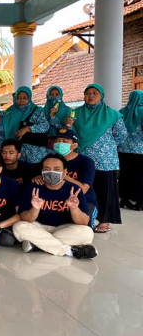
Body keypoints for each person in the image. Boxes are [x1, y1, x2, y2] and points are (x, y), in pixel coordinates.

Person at [13, 154, 97, 259]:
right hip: (39, 226)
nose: (51, 172)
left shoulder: (74, 189)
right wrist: (35, 208)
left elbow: (84, 222)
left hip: (65, 228)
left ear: (65, 172)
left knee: (87, 233)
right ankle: (69, 251)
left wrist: (74, 208)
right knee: (19, 227)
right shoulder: (33, 187)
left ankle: (38, 244)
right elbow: (25, 218)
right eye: (47, 169)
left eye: (56, 169)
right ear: (42, 171)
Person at [70, 84, 126, 233]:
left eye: (95, 93)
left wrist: (105, 146)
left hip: (105, 160)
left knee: (105, 191)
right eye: (87, 93)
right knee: (85, 189)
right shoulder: (76, 113)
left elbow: (121, 135)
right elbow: (71, 132)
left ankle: (105, 220)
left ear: (101, 95)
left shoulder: (112, 115)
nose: (91, 96)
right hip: (83, 159)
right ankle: (84, 216)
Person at [33, 129, 97, 218]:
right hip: (56, 202)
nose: (59, 144)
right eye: (57, 141)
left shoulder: (86, 162)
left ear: (74, 145)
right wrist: (40, 177)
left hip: (83, 201)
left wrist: (62, 176)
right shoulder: (48, 160)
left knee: (82, 228)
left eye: (64, 141)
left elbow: (83, 189)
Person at [1, 86, 51, 164]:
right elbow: (1, 127)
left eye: (25, 98)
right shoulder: (10, 111)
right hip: (15, 150)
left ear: (29, 98)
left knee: (34, 172)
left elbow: (45, 126)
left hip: (34, 150)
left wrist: (28, 129)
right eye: (19, 98)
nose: (21, 100)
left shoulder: (37, 111)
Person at [118, 90, 143, 210]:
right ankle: (140, 202)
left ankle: (124, 199)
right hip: (139, 150)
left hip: (123, 149)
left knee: (124, 175)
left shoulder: (122, 112)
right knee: (139, 176)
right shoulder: (142, 112)